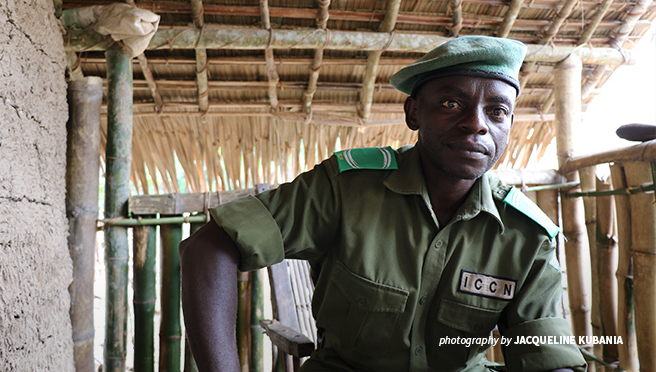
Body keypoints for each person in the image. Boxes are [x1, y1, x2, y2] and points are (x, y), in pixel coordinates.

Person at [180, 36, 587, 372]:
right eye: (452, 103)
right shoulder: (346, 190)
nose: (477, 122)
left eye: (497, 111)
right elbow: (209, 247)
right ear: (413, 112)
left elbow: (547, 352)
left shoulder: (527, 235)